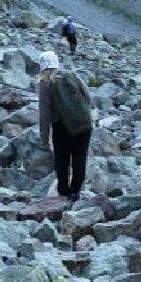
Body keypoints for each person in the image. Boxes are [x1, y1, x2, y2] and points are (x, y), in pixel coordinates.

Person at [37, 50, 93, 202]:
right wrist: (81, 113)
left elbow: (44, 114)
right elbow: (87, 96)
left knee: (62, 160)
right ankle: (75, 192)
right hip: (84, 123)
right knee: (80, 158)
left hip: (63, 127)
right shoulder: (71, 74)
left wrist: (44, 138)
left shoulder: (45, 83)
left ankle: (63, 192)